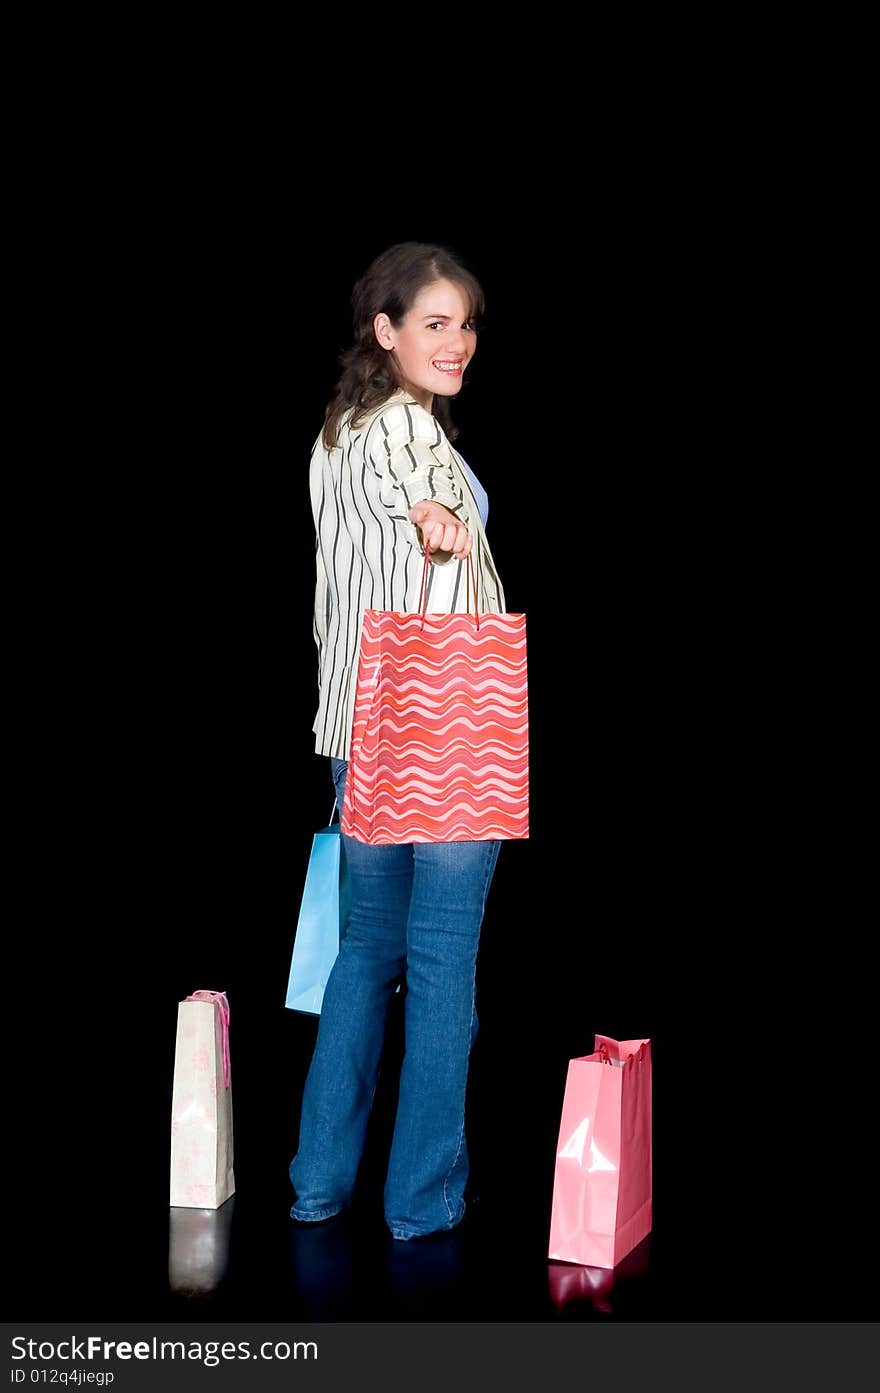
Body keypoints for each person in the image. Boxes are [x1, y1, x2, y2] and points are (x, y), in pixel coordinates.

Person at [289, 241, 508, 1241]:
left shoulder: (334, 433)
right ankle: (422, 1200)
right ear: (384, 329)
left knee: (362, 953)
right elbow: (412, 492)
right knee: (442, 961)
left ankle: (317, 1183)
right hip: (446, 726)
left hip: (362, 728)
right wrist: (436, 515)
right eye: (432, 322)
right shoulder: (405, 433)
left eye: (462, 323)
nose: (454, 341)